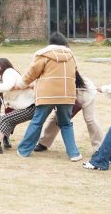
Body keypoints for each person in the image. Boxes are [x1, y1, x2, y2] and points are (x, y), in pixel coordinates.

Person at [14, 32, 81, 160]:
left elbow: (31, 74)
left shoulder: (43, 55)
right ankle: (74, 154)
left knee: (37, 121)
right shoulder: (71, 56)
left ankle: (24, 150)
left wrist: (20, 84)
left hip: (47, 95)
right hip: (67, 94)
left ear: (50, 43)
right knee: (66, 123)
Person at [36, 71, 104, 154]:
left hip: (85, 94)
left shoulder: (69, 72)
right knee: (56, 118)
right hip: (68, 95)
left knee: (90, 119)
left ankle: (100, 148)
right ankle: (44, 143)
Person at [0, 58, 34, 154]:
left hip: (30, 106)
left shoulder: (9, 72)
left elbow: (6, 87)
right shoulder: (1, 78)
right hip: (22, 106)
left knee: (5, 119)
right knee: (6, 120)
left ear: (2, 65)